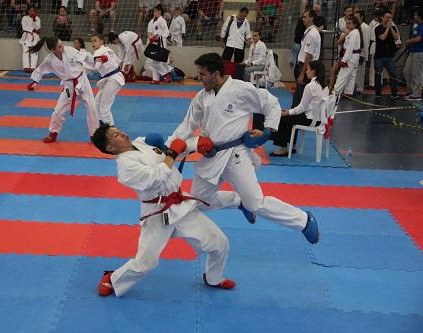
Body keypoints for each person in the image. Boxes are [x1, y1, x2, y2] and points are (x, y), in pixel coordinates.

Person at [166, 53, 320, 244]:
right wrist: (168, 149)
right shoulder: (201, 97)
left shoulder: (239, 89)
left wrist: (268, 131)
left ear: (216, 74)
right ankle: (238, 202)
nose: (199, 78)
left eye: (203, 74)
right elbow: (187, 125)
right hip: (211, 154)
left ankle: (303, 220)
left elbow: (270, 102)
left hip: (236, 154)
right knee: (199, 201)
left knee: (256, 203)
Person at [91, 125, 235, 297]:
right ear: (110, 147)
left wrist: (194, 145)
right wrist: (172, 154)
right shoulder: (125, 167)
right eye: (116, 135)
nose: (122, 133)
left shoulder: (141, 142)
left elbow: (167, 150)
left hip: (180, 205)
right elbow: (155, 178)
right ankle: (114, 278)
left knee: (220, 243)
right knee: (146, 263)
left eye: (120, 130)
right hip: (157, 212)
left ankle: (213, 278)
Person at [26, 37, 99, 143]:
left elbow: (86, 55)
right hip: (68, 85)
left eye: (62, 44)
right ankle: (53, 133)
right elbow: (41, 69)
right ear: (53, 50)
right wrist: (34, 82)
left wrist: (94, 60)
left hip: (82, 82)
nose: (63, 47)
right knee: (58, 111)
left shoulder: (71, 51)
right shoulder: (50, 60)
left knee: (92, 108)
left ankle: (94, 135)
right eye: (59, 46)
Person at [270, 60, 327, 156]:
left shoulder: (310, 86)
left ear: (313, 71)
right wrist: (289, 112)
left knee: (282, 118)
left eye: (308, 69)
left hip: (310, 119)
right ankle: (292, 145)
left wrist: (286, 113)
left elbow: (301, 108)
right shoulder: (324, 86)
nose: (306, 71)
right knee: (291, 117)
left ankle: (283, 148)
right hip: (319, 119)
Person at [89, 34, 125, 126]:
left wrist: (83, 65)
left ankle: (111, 128)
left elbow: (96, 67)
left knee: (104, 107)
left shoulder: (99, 52)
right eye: (91, 41)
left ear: (101, 41)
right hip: (112, 78)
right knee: (96, 103)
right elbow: (118, 62)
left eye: (95, 40)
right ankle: (102, 124)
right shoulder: (108, 50)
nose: (93, 43)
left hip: (113, 79)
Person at [292, 9, 321, 108]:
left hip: (307, 66)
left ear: (311, 18)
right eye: (303, 17)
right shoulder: (309, 31)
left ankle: (295, 116)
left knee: (300, 94)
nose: (303, 19)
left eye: (305, 17)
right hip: (306, 65)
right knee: (301, 93)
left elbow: (309, 56)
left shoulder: (312, 34)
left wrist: (302, 73)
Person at [332, 16, 363, 99]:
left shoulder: (354, 33)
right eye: (347, 24)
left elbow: (350, 48)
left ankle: (335, 92)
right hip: (354, 57)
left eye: (349, 24)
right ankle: (348, 92)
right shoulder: (354, 32)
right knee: (352, 76)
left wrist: (344, 60)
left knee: (342, 75)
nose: (347, 25)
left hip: (350, 57)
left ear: (355, 24)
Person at [374, 10, 400, 99]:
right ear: (382, 17)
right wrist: (387, 28)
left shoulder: (393, 27)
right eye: (387, 17)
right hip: (379, 55)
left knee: (393, 74)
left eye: (391, 17)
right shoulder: (377, 28)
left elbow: (396, 37)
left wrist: (391, 28)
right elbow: (382, 38)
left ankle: (394, 93)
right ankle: (378, 93)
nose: (389, 19)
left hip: (389, 55)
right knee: (378, 74)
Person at [144, 4, 173, 84]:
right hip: (155, 43)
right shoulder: (155, 21)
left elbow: (167, 32)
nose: (154, 13)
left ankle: (166, 74)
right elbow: (155, 32)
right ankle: (156, 79)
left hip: (161, 43)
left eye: (155, 11)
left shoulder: (162, 20)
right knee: (153, 61)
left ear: (159, 12)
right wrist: (153, 37)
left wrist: (158, 37)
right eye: (154, 11)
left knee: (154, 62)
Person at [403, 8, 423, 101]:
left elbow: (418, 39)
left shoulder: (422, 26)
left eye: (415, 15)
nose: (414, 16)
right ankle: (411, 90)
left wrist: (409, 41)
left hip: (419, 52)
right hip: (412, 51)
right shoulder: (417, 26)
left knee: (416, 73)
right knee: (407, 71)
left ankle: (417, 93)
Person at [19, 6, 41, 73]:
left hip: (35, 37)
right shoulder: (24, 18)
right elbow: (24, 27)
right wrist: (33, 30)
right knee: (25, 52)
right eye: (30, 10)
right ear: (27, 11)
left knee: (34, 52)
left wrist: (34, 20)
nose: (31, 12)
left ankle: (32, 67)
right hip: (26, 36)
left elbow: (38, 28)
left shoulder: (37, 18)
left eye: (33, 10)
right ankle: (26, 67)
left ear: (35, 11)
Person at [353, 9, 370, 96]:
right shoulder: (358, 27)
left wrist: (363, 55)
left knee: (360, 73)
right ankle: (356, 88)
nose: (355, 19)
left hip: (361, 54)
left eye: (357, 17)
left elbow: (365, 42)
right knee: (356, 73)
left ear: (362, 17)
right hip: (356, 54)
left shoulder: (364, 27)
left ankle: (358, 89)